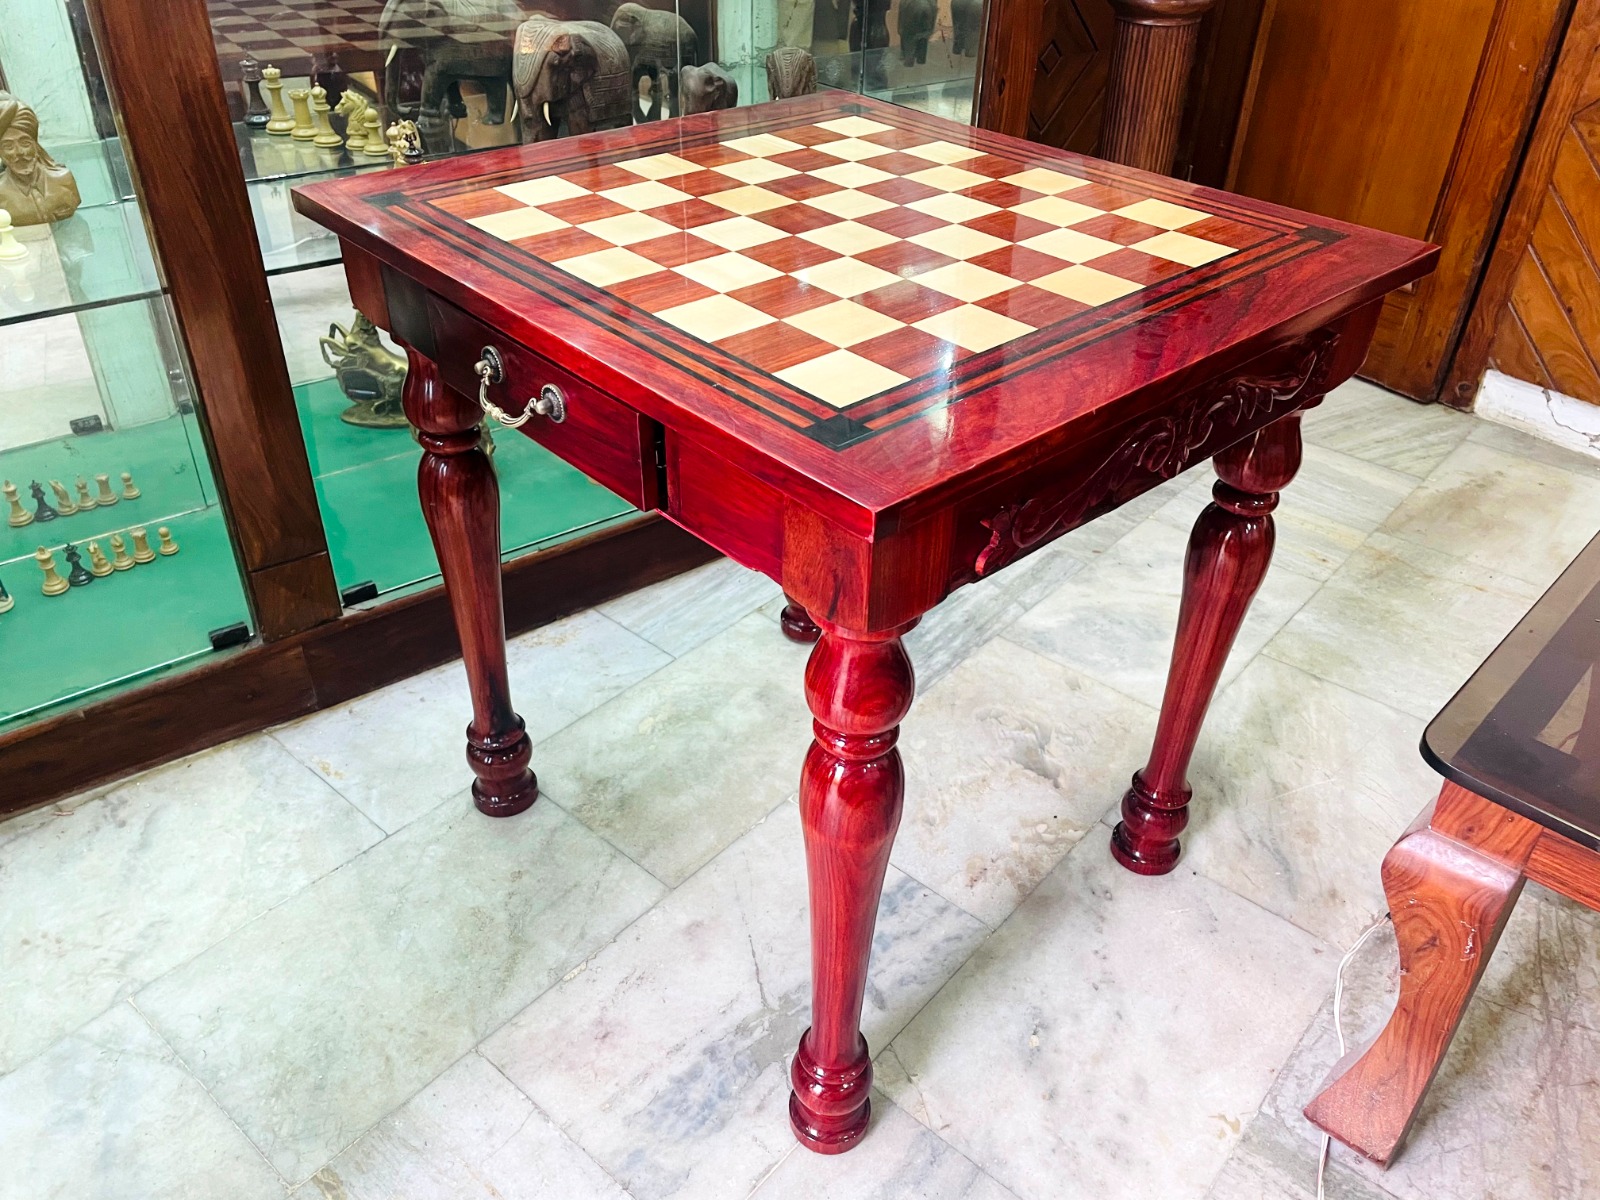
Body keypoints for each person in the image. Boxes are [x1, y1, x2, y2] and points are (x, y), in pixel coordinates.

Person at [0, 92, 81, 225]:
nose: (19, 153)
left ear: (36, 146)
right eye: (8, 146)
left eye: (25, 143)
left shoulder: (63, 180)